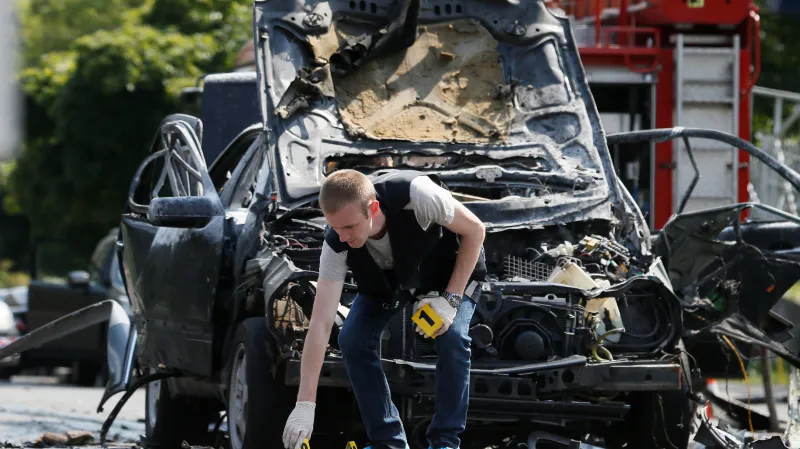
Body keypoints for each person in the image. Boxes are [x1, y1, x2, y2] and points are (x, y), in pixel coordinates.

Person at [282, 169, 487, 449]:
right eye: (336, 228)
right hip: (393, 281)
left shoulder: (418, 195)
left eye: (349, 227)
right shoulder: (336, 244)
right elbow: (320, 323)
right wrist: (305, 404)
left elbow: (476, 230)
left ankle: (445, 441)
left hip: (449, 272)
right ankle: (387, 441)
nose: (343, 237)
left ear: (373, 208)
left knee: (451, 337)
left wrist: (451, 300)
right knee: (352, 339)